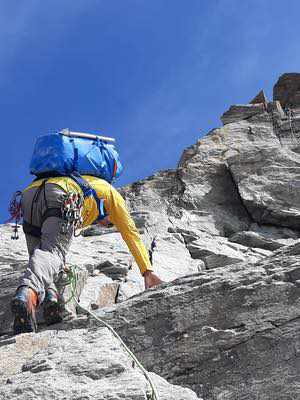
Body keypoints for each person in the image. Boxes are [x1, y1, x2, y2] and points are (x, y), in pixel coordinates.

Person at [11, 175, 163, 335]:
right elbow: (131, 233)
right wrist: (147, 271)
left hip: (30, 195)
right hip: (63, 194)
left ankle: (51, 301)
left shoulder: (84, 179)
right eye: (110, 222)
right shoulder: (113, 196)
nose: (105, 225)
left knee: (41, 255)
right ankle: (28, 293)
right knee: (53, 252)